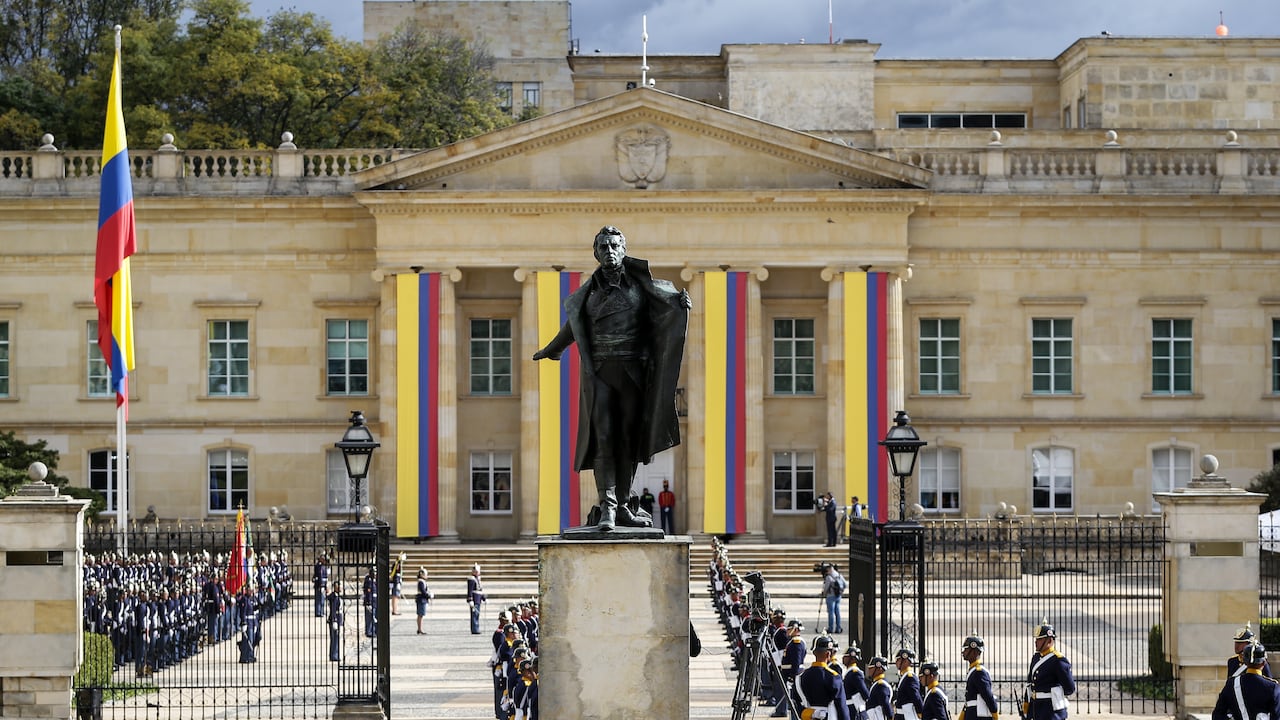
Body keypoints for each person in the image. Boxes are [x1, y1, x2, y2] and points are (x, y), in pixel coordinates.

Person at [532, 225, 691, 531]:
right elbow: (573, 328)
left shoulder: (642, 288)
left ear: (623, 249)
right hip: (600, 372)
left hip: (633, 371)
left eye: (614, 246)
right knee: (603, 437)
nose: (609, 251)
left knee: (628, 442)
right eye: (603, 247)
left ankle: (624, 505)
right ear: (596, 253)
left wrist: (680, 307)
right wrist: (552, 349)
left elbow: (665, 314)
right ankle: (608, 508)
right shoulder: (586, 296)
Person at [1213, 642, 1280, 720]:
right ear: (1264, 662)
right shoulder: (1273, 687)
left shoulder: (1231, 684)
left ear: (1244, 661)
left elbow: (1217, 715)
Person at [1024, 621, 1074, 720]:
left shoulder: (1058, 660)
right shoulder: (1036, 657)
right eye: (1036, 639)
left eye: (1040, 639)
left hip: (1051, 711)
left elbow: (1069, 688)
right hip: (1035, 709)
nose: (1036, 642)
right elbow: (1030, 684)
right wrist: (1026, 705)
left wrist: (1055, 693)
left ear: (1049, 641)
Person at [794, 634, 851, 720]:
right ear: (828, 654)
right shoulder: (833, 677)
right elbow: (841, 707)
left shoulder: (801, 677)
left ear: (814, 653)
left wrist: (810, 713)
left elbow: (795, 702)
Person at [958, 634, 998, 720]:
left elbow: (987, 695)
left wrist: (994, 712)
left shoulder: (979, 672)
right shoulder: (974, 670)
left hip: (977, 716)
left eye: (966, 649)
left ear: (974, 652)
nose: (963, 652)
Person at [774, 619, 806, 717]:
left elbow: (796, 662)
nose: (787, 631)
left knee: (794, 701)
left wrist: (792, 677)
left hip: (793, 675)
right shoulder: (792, 641)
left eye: (790, 629)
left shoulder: (796, 642)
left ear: (795, 630)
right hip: (790, 674)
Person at [844, 642, 871, 720]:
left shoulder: (855, 673)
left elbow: (864, 692)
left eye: (846, 656)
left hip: (854, 708)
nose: (843, 658)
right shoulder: (850, 672)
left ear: (852, 658)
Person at [893, 648, 923, 720]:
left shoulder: (910, 677)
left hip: (907, 716)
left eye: (898, 660)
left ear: (906, 661)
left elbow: (916, 697)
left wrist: (920, 712)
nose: (896, 662)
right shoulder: (905, 676)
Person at [821, 562, 847, 634]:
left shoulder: (829, 577)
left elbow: (826, 588)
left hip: (830, 596)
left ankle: (831, 628)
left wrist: (824, 593)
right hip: (838, 596)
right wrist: (841, 591)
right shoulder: (839, 575)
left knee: (831, 612)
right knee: (837, 612)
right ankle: (838, 628)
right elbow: (845, 584)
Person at [866, 656, 895, 720]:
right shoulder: (878, 683)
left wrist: (890, 716)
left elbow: (885, 703)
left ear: (879, 669)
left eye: (871, 668)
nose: (869, 670)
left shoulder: (881, 685)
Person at [468, 564, 486, 634]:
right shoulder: (471, 579)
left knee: (477, 615)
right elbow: (470, 590)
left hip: (478, 599)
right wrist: (470, 600)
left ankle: (476, 627)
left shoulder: (478, 579)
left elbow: (480, 590)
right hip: (474, 599)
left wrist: (484, 598)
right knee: (474, 615)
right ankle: (475, 629)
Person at [326, 582, 342, 662]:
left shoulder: (336, 596)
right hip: (334, 620)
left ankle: (335, 654)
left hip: (338, 619)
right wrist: (334, 620)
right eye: (338, 586)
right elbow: (333, 610)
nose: (340, 588)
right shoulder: (334, 597)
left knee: (336, 638)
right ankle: (334, 655)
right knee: (334, 638)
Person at [415, 568, 432, 635]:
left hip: (422, 599)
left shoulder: (422, 581)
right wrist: (428, 596)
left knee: (421, 615)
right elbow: (423, 591)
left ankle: (419, 628)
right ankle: (419, 629)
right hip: (421, 599)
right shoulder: (421, 582)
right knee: (420, 614)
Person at [362, 567, 377, 638]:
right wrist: (368, 602)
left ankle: (374, 630)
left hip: (375, 601)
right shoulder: (368, 580)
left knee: (374, 617)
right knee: (369, 618)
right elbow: (368, 593)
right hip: (369, 602)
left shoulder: (374, 580)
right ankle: (369, 631)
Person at [312, 553, 329, 618]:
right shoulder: (319, 566)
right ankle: (319, 612)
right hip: (320, 584)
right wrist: (321, 585)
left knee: (322, 599)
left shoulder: (323, 566)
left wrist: (326, 585)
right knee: (319, 599)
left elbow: (325, 576)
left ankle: (321, 611)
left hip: (323, 584)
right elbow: (320, 576)